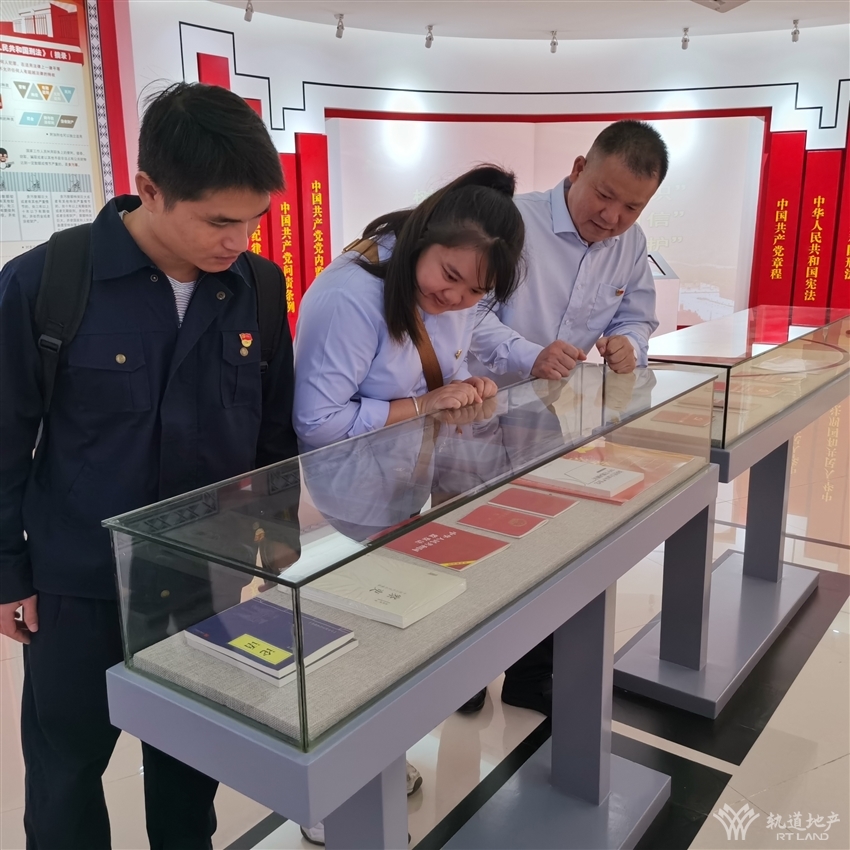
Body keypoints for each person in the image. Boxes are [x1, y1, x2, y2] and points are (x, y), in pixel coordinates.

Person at [0, 83, 298, 850]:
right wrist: (7, 573)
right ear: (150, 189)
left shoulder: (258, 288)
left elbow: (273, 429)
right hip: (80, 581)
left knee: (191, 764)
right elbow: (3, 440)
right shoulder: (46, 284)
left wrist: (276, 540)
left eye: (254, 220)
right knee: (67, 770)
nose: (238, 240)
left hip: (205, 576)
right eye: (219, 221)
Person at [292, 164, 525, 845]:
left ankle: (370, 764)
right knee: (359, 640)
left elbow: (442, 365)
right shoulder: (351, 296)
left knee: (391, 633)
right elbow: (317, 422)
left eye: (474, 292)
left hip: (405, 482)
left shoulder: (450, 291)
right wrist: (424, 404)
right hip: (350, 495)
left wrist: (465, 386)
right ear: (425, 235)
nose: (454, 299)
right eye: (449, 277)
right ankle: (339, 791)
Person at [461, 119, 669, 717]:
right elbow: (464, 313)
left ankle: (531, 675)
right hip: (476, 412)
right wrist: (528, 354)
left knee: (548, 547)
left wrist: (630, 343)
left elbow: (636, 315)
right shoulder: (511, 223)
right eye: (604, 195)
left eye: (632, 207)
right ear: (578, 169)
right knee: (474, 543)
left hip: (556, 427)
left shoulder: (630, 244)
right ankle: (461, 674)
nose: (612, 217)